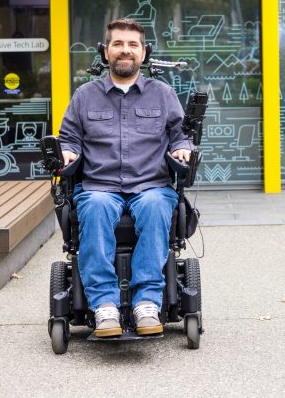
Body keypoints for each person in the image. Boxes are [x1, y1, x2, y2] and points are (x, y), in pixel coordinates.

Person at [58, 18, 191, 338]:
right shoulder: (85, 95)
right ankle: (104, 305)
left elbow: (180, 135)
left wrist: (183, 149)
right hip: (99, 186)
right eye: (118, 44)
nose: (125, 51)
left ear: (143, 53)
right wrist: (68, 152)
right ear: (106, 52)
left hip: (151, 185)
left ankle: (146, 302)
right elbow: (69, 137)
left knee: (157, 205)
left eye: (133, 45)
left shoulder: (163, 94)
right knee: (97, 206)